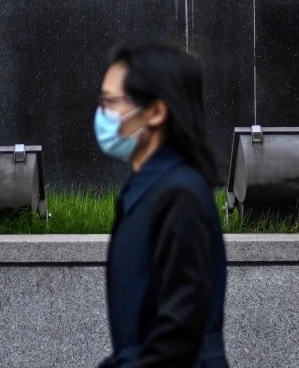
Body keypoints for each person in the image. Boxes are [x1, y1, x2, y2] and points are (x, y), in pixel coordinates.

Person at [94, 43, 228, 368]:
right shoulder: (147, 190)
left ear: (155, 112)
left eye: (111, 102)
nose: (102, 114)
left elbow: (178, 333)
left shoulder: (180, 194)